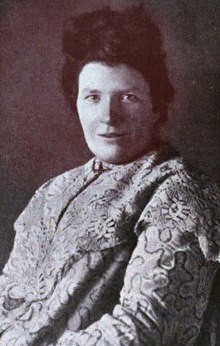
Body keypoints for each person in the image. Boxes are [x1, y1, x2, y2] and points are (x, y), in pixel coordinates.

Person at [0, 6, 219, 346]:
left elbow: (142, 330)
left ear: (157, 106)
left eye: (128, 98)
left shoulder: (178, 192)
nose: (108, 117)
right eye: (93, 97)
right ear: (76, 104)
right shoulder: (50, 193)